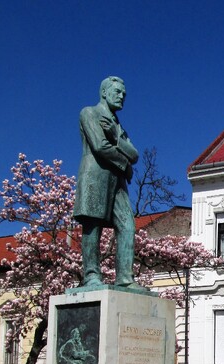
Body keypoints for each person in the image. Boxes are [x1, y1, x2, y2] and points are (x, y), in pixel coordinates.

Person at [75, 76, 142, 289]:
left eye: (124, 94)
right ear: (104, 92)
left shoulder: (118, 126)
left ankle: (124, 277)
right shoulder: (89, 113)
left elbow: (135, 154)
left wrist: (115, 135)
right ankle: (92, 275)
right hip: (95, 176)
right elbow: (100, 146)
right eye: (118, 92)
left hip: (117, 181)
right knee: (93, 226)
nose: (122, 96)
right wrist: (125, 164)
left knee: (127, 225)